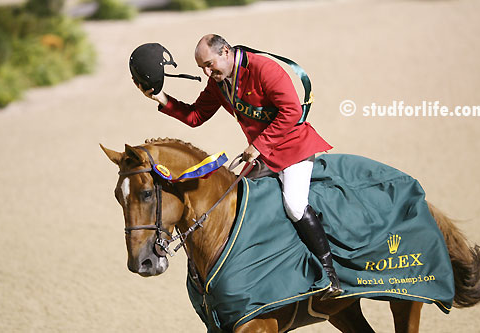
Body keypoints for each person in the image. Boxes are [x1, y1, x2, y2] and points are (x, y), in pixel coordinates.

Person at [134, 34, 342, 298]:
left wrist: (259, 145)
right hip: (264, 155)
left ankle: (329, 274)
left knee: (294, 204)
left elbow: (291, 111)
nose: (208, 72)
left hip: (293, 148)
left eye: (210, 64)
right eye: (202, 69)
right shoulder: (219, 83)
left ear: (226, 51)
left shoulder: (264, 69)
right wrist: (161, 98)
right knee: (238, 203)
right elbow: (196, 116)